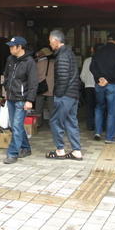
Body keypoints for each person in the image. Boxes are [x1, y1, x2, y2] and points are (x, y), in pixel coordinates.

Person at [47, 30, 82, 160]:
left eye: (50, 42)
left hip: (65, 95)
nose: (50, 45)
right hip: (73, 95)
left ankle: (60, 150)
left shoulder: (62, 56)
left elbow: (62, 77)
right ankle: (76, 151)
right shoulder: (70, 53)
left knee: (56, 121)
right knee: (71, 122)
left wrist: (58, 95)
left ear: (56, 41)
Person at [2, 36, 38, 164]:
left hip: (22, 99)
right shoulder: (10, 59)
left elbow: (33, 83)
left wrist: (30, 100)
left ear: (20, 47)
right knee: (15, 126)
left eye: (12, 46)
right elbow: (6, 75)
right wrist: (6, 88)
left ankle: (12, 154)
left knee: (16, 126)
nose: (10, 48)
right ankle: (26, 148)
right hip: (11, 97)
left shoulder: (29, 62)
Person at [91, 33, 115, 143]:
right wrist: (108, 79)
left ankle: (97, 132)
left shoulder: (98, 51)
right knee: (111, 111)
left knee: (99, 107)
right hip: (112, 85)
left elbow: (92, 67)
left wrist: (100, 78)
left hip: (99, 84)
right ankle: (109, 138)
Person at [80, 44, 103, 132]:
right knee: (100, 107)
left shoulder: (87, 60)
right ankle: (100, 126)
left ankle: (90, 125)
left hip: (88, 87)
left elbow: (82, 75)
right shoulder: (102, 60)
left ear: (93, 50)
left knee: (90, 107)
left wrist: (87, 82)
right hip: (100, 86)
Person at [34, 47, 54, 124]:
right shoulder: (53, 64)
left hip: (40, 88)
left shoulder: (37, 64)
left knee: (38, 107)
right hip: (50, 87)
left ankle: (38, 123)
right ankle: (52, 124)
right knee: (51, 107)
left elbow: (34, 76)